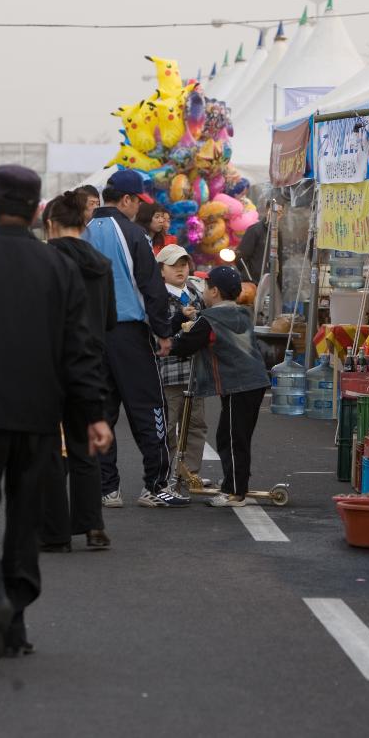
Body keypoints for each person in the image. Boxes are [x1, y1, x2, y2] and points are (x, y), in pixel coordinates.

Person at [0, 165, 111, 671]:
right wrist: (92, 415)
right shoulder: (58, 267)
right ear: (37, 212)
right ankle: (15, 622)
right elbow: (80, 349)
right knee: (25, 520)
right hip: (40, 415)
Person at [83, 169, 185, 508]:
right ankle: (154, 486)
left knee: (101, 411)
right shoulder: (133, 234)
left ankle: (106, 488)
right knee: (149, 408)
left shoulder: (80, 232)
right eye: (137, 202)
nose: (138, 209)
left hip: (90, 335)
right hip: (129, 333)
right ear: (125, 199)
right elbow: (152, 288)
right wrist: (164, 332)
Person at [40, 190, 116, 551]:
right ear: (83, 223)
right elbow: (111, 318)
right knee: (86, 444)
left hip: (50, 363)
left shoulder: (43, 261)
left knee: (52, 448)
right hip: (92, 361)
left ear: (51, 224)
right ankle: (93, 525)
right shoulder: (101, 263)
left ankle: (55, 533)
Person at [170, 266, 270, 507]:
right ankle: (233, 484)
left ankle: (235, 492)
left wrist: (171, 336)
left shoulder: (210, 320)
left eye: (206, 286)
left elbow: (185, 345)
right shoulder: (242, 313)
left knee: (233, 438)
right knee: (232, 435)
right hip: (253, 383)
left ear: (214, 291)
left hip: (239, 385)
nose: (203, 290)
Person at [155, 244, 208, 492]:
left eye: (183, 264)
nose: (180, 269)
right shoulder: (156, 296)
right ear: (161, 269)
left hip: (194, 371)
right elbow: (154, 330)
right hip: (168, 371)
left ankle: (190, 473)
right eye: (173, 265)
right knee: (168, 425)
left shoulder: (195, 292)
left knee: (196, 424)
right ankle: (165, 474)